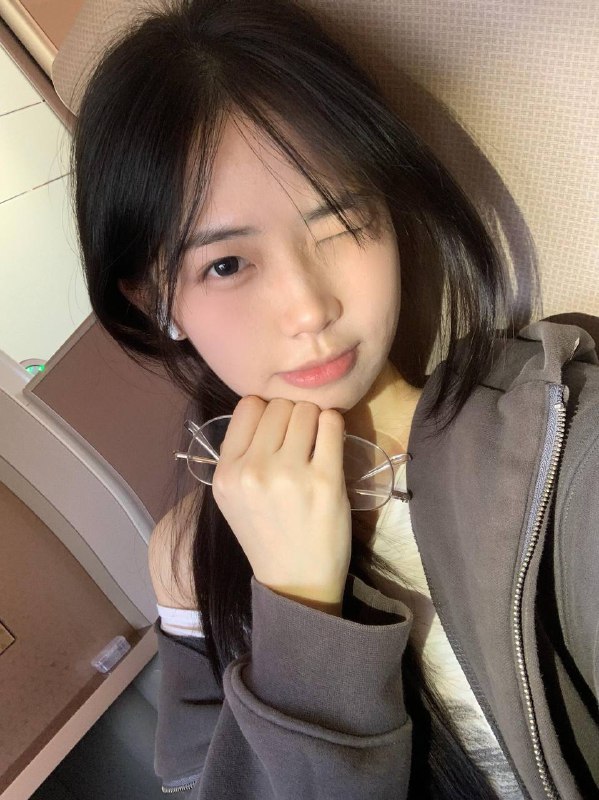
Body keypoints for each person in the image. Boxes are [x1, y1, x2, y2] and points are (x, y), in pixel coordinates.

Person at [71, 0, 599, 797]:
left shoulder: (555, 431)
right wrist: (297, 610)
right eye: (226, 264)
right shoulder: (187, 557)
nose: (308, 308)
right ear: (155, 301)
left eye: (341, 221)